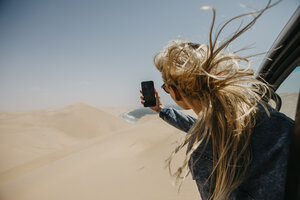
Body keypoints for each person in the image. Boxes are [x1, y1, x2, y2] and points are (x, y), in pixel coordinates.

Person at [139, 1, 294, 199]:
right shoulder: (266, 116)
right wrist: (161, 110)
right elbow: (202, 127)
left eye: (167, 88)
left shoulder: (203, 150)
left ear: (176, 93)